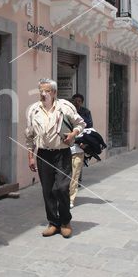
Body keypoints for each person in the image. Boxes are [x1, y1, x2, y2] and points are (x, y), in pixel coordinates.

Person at [25, 78, 85, 238]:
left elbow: (81, 123)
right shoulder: (33, 110)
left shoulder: (65, 107)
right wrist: (31, 157)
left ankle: (65, 221)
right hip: (43, 154)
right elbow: (29, 136)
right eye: (41, 91)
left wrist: (73, 134)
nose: (43, 94)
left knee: (61, 188)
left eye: (47, 91)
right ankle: (53, 222)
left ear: (54, 92)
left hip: (62, 153)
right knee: (47, 190)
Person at [68, 93, 92, 208]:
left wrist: (85, 143)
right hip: (64, 151)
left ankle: (71, 199)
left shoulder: (85, 119)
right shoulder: (64, 119)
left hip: (78, 151)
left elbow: (91, 133)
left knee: (74, 176)